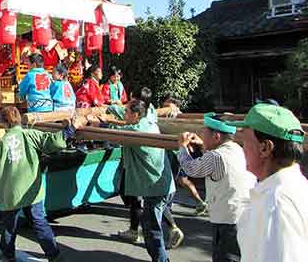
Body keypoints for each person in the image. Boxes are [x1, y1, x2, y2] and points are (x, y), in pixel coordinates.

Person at [0, 106, 84, 262]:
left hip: (12, 193)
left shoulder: (1, 145)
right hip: (32, 190)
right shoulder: (31, 135)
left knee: (10, 226)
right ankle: (54, 255)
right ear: (19, 119)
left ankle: (7, 256)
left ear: (4, 123)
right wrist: (71, 128)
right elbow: (54, 141)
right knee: (39, 222)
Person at [229, 103, 308, 262]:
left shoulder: (276, 203)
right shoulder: (297, 189)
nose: (242, 149)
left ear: (265, 148)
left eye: (245, 142)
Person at [177, 113, 256, 262]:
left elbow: (191, 168)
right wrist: (202, 145)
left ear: (216, 137)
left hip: (228, 220)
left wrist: (182, 147)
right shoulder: (236, 149)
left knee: (225, 257)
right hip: (243, 215)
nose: (200, 134)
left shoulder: (216, 156)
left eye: (204, 132)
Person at [108, 99, 175, 262]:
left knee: (151, 233)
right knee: (152, 227)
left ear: (136, 115)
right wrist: (111, 107)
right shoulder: (149, 118)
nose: (124, 114)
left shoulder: (136, 130)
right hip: (164, 184)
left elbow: (114, 134)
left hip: (155, 188)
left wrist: (102, 122)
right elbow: (145, 110)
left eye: (126, 112)